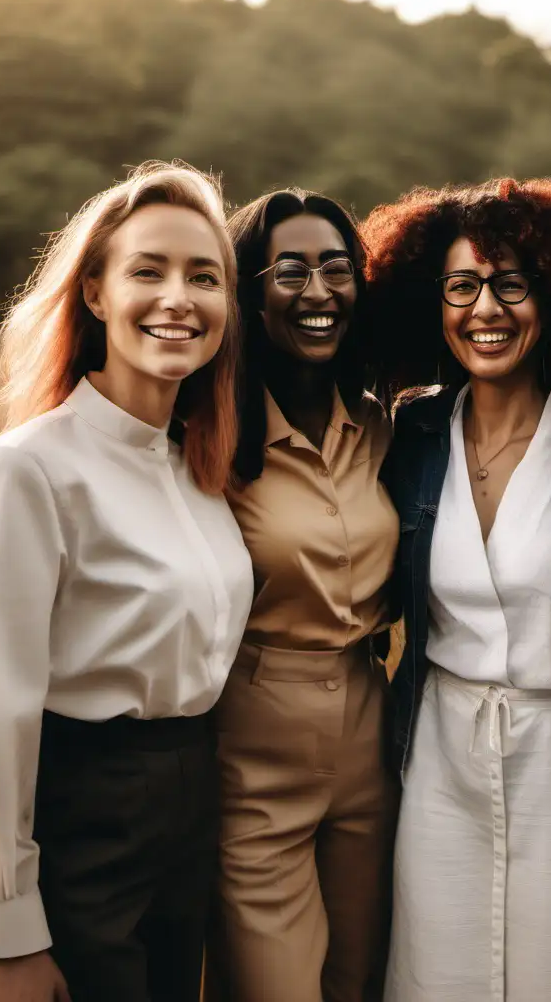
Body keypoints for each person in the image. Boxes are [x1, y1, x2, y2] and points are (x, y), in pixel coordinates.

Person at [0, 162, 255, 1002]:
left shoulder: (196, 470)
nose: (179, 298)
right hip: (86, 826)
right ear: (96, 295)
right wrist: (7, 936)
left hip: (188, 821)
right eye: (148, 271)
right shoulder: (27, 470)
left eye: (204, 277)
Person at [360, 177, 551, 1002]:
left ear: (550, 299)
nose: (486, 308)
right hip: (438, 746)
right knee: (433, 974)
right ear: (432, 305)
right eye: (462, 286)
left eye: (511, 284)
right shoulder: (408, 434)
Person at [205, 189, 399, 1002]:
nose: (318, 292)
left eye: (337, 268)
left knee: (361, 979)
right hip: (253, 747)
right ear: (250, 291)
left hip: (372, 732)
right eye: (290, 271)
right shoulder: (209, 437)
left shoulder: (389, 428)